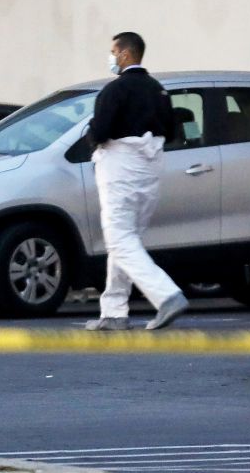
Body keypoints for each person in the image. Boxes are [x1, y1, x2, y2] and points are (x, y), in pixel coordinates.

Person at [85, 32, 188, 331]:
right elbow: (170, 130)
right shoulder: (158, 90)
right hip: (150, 169)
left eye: (113, 51)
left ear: (126, 54)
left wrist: (92, 137)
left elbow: (100, 129)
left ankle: (166, 295)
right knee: (127, 239)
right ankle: (114, 311)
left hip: (120, 168)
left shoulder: (115, 90)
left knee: (119, 239)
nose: (111, 57)